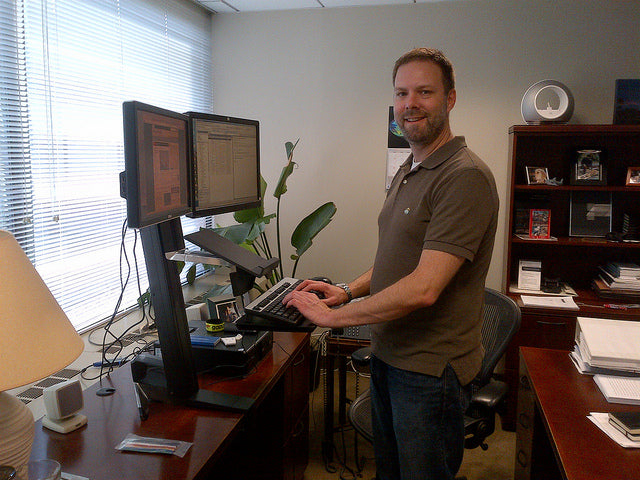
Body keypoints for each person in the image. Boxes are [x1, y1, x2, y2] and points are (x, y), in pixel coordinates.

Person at [284, 48, 499, 480]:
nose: (410, 104)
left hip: (428, 371)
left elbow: (424, 287)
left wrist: (334, 316)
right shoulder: (409, 167)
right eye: (401, 93)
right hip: (391, 356)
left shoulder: (464, 176)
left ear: (451, 98)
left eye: (425, 91)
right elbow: (394, 263)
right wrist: (346, 290)